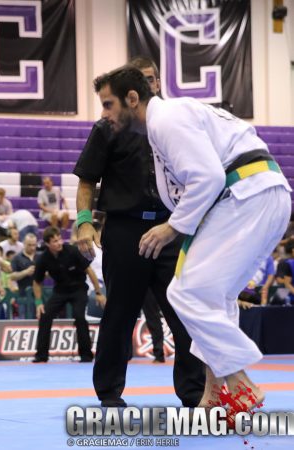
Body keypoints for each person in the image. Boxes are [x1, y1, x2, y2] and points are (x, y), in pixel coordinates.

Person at [93, 64, 290, 414]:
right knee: (211, 296)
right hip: (257, 194)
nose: (104, 114)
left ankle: (239, 381)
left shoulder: (166, 119)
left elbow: (208, 177)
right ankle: (213, 392)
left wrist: (173, 227)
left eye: (108, 104)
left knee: (185, 292)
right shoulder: (163, 125)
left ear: (132, 98)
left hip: (246, 195)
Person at [74, 57, 205, 408]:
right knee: (119, 312)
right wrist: (84, 220)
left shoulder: (177, 124)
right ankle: (109, 392)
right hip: (125, 229)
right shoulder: (108, 127)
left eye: (150, 80)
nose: (145, 87)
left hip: (171, 228)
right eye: (139, 81)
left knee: (185, 312)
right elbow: (87, 180)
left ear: (157, 85)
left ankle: (194, 393)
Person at [32, 227, 102, 363]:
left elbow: (89, 271)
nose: (59, 243)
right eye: (54, 241)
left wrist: (98, 292)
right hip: (60, 291)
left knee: (79, 316)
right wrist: (38, 302)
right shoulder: (43, 259)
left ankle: (86, 355)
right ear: (47, 244)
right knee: (45, 316)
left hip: (78, 289)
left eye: (59, 239)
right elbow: (36, 282)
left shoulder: (72, 251)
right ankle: (41, 355)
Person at [10, 233, 38, 319]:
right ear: (24, 244)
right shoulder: (17, 258)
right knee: (24, 321)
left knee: (41, 321)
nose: (32, 248)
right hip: (23, 296)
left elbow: (49, 272)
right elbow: (12, 276)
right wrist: (25, 272)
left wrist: (41, 272)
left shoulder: (40, 256)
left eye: (34, 245)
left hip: (39, 296)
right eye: (29, 245)